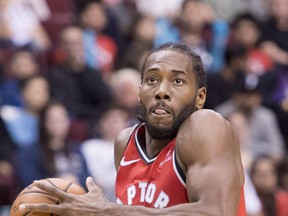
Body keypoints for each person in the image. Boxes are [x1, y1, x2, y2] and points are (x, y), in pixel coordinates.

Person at [19, 42, 246, 215]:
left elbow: (216, 212)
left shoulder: (205, 126)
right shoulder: (125, 143)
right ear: (139, 92)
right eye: (152, 80)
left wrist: (107, 211)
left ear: (200, 97)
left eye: (177, 81)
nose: (161, 91)